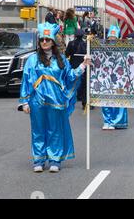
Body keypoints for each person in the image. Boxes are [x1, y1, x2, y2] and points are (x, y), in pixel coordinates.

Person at [19, 22, 91, 173]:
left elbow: (70, 76)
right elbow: (26, 80)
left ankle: (55, 159)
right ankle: (38, 159)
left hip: (57, 101)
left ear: (52, 42)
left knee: (55, 130)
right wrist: (25, 101)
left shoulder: (61, 60)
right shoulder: (32, 60)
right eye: (42, 39)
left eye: (47, 39)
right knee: (38, 130)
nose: (44, 42)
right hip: (37, 101)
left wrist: (83, 65)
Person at [100, 25, 128, 130]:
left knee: (118, 99)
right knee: (105, 99)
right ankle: (107, 121)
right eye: (110, 38)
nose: (112, 40)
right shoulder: (103, 49)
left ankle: (117, 121)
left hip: (119, 79)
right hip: (105, 79)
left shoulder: (123, 49)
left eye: (114, 38)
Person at [65, 28, 88, 109]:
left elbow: (66, 54)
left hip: (74, 65)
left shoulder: (71, 44)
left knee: (72, 83)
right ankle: (84, 102)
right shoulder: (86, 44)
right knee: (85, 84)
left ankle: (71, 99)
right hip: (84, 65)